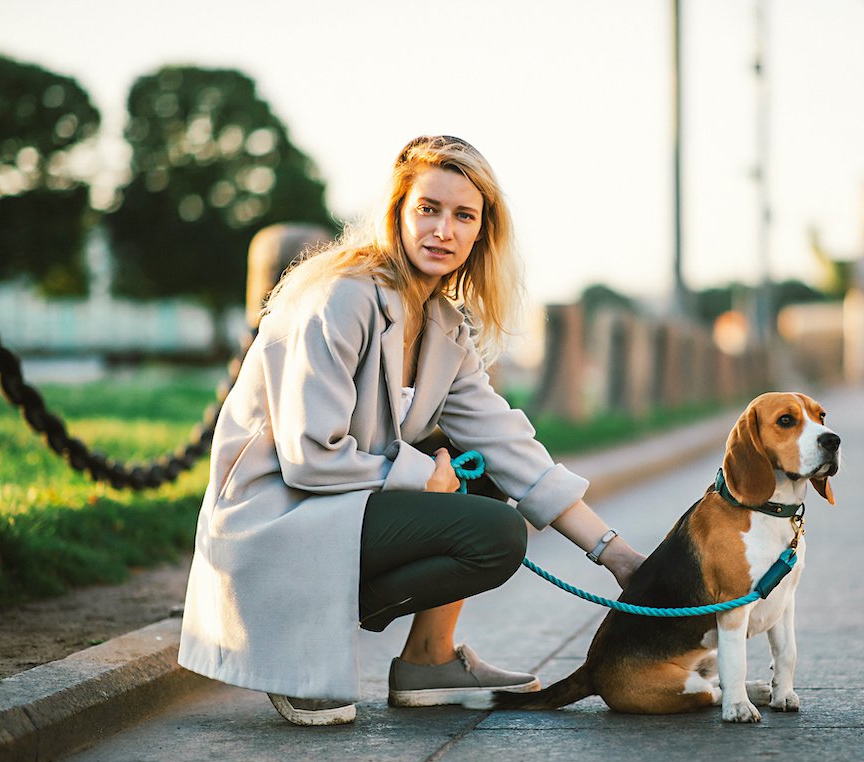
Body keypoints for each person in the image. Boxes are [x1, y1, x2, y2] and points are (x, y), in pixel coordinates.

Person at [177, 135, 646, 726]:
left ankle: (430, 661)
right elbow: (306, 457)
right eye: (428, 208)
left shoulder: (445, 326)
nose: (442, 230)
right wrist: (425, 476)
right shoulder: (341, 296)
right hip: (279, 518)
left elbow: (513, 449)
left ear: (481, 233)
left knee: (486, 477)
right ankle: (295, 650)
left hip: (343, 510)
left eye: (463, 215)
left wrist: (619, 557)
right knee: (495, 530)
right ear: (398, 212)